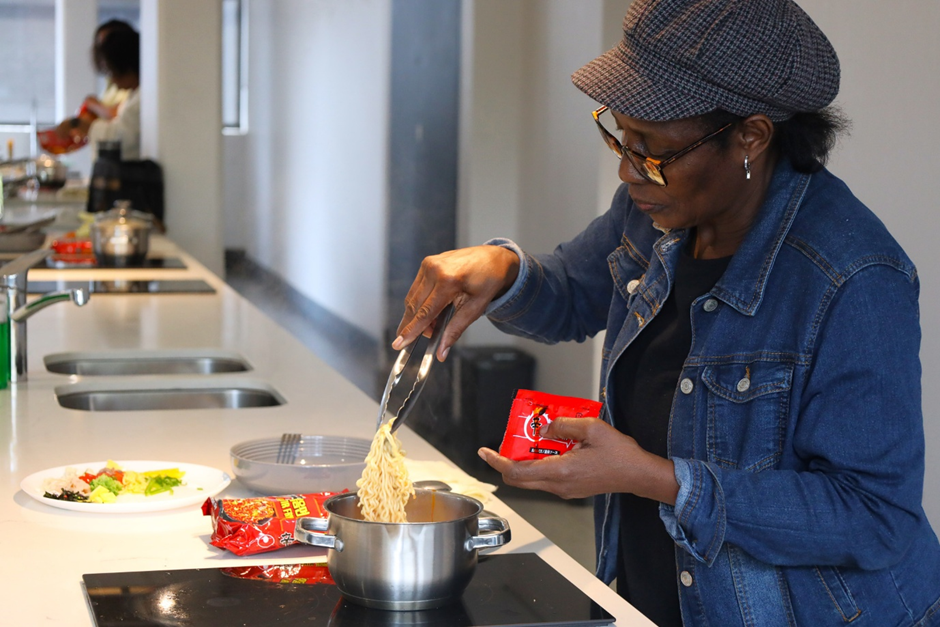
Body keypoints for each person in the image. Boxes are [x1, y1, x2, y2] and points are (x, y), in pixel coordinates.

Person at [392, 0, 940, 625]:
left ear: (751, 137)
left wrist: (660, 480)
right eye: (621, 137)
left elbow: (874, 518)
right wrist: (504, 269)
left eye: (653, 150)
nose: (627, 170)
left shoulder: (853, 277)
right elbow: (573, 293)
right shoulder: (655, 215)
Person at [55, 26, 140, 160]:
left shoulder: (142, 99)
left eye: (112, 72)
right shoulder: (133, 94)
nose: (112, 79)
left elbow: (120, 138)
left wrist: (80, 122)